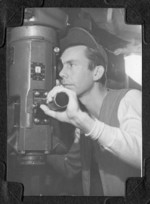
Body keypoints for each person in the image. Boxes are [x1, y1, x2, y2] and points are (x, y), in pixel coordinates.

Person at [40, 27, 142, 196]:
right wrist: (38, 148)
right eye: (61, 66)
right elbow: (70, 168)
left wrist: (86, 124)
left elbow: (142, 155)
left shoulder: (128, 99)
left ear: (96, 72)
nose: (61, 73)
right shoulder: (83, 120)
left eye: (71, 65)